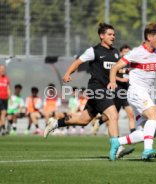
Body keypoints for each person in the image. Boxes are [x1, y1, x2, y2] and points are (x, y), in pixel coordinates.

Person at [44, 23, 126, 161]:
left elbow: (117, 70)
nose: (113, 37)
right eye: (110, 34)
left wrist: (127, 72)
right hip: (96, 88)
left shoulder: (115, 52)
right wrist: (68, 73)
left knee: (84, 120)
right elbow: (78, 62)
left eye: (114, 34)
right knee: (114, 115)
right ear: (101, 36)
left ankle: (56, 123)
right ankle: (117, 147)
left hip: (106, 90)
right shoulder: (93, 51)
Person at [107, 23, 156, 160]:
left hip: (146, 93)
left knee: (146, 132)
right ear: (149, 37)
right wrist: (112, 82)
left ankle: (117, 142)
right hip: (136, 91)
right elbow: (115, 67)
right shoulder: (137, 52)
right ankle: (147, 151)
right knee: (154, 115)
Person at [0, 65, 11, 136]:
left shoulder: (6, 78)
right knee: (3, 112)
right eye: (1, 69)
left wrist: (10, 98)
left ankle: (1, 128)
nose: (2, 70)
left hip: (5, 98)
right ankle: (3, 128)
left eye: (3, 69)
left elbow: (8, 89)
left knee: (2, 114)